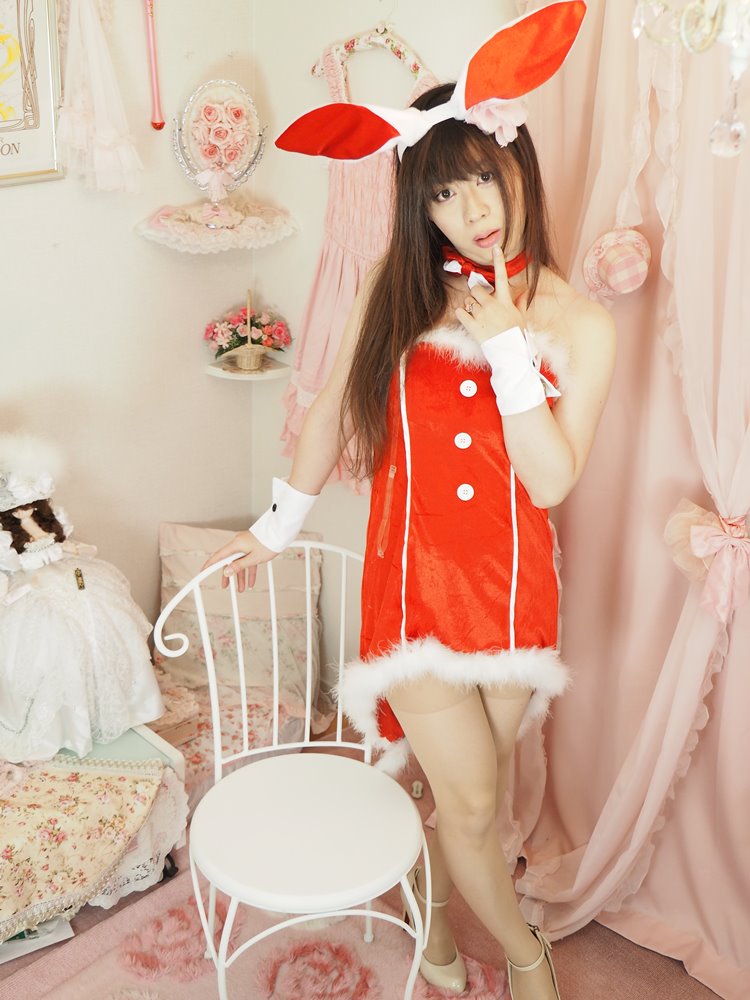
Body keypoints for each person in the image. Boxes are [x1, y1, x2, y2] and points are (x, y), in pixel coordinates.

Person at [204, 4, 613, 997]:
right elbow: (327, 415)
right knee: (468, 801)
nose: (472, 208)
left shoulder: (578, 322)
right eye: (442, 193)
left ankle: (430, 926)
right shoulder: (398, 285)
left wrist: (507, 342)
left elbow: (551, 480)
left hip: (512, 595)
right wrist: (275, 528)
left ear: (518, 165)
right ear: (418, 209)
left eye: (483, 176)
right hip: (413, 589)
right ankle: (527, 957)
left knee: (469, 801)